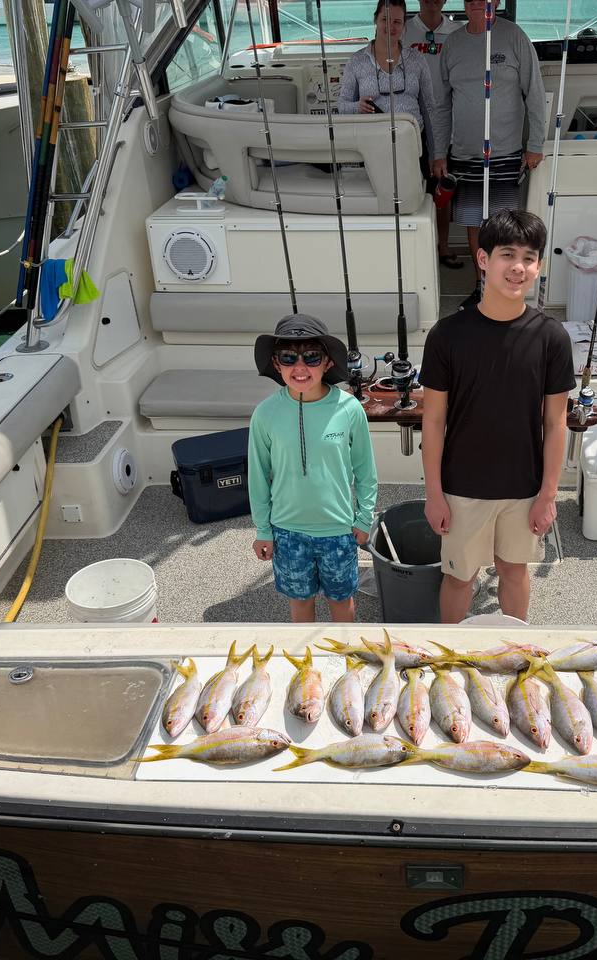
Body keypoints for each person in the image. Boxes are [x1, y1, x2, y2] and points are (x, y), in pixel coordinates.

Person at [419, 209, 574, 624]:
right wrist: (434, 493)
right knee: (459, 578)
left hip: (523, 489)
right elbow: (432, 421)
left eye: (529, 256)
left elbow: (555, 423)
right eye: (508, 254)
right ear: (484, 259)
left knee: (514, 570)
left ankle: (515, 651)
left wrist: (547, 495)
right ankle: (449, 661)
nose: (518, 267)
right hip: (461, 487)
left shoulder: (552, 338)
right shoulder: (447, 335)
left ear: (538, 266)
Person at [249, 314, 378, 624]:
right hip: (287, 532)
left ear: (328, 363)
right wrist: (263, 531)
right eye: (289, 358)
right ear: (277, 365)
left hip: (338, 530)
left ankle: (346, 666)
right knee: (301, 606)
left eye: (311, 357)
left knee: (342, 604)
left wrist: (363, 518)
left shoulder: (349, 409)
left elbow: (365, 471)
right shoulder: (265, 414)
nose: (300, 367)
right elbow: (257, 478)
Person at [430, 0, 546, 265]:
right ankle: (481, 286)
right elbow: (441, 105)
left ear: (496, 2)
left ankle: (499, 287)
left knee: (504, 225)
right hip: (464, 154)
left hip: (506, 153)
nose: (476, 3)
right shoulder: (453, 44)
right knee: (474, 223)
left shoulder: (514, 36)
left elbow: (535, 94)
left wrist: (535, 143)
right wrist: (439, 153)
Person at [402, 0, 463, 269]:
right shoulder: (402, 30)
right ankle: (416, 247)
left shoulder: (457, 32)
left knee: (443, 187)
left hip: (446, 119)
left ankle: (443, 245)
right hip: (412, 121)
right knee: (413, 187)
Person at [337, 0, 437, 161]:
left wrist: (435, 154)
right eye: (385, 19)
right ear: (376, 20)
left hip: (413, 147)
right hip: (372, 147)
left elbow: (430, 109)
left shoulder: (417, 59)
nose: (391, 27)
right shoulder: (357, 61)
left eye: (397, 22)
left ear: (404, 25)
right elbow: (342, 106)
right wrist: (357, 107)